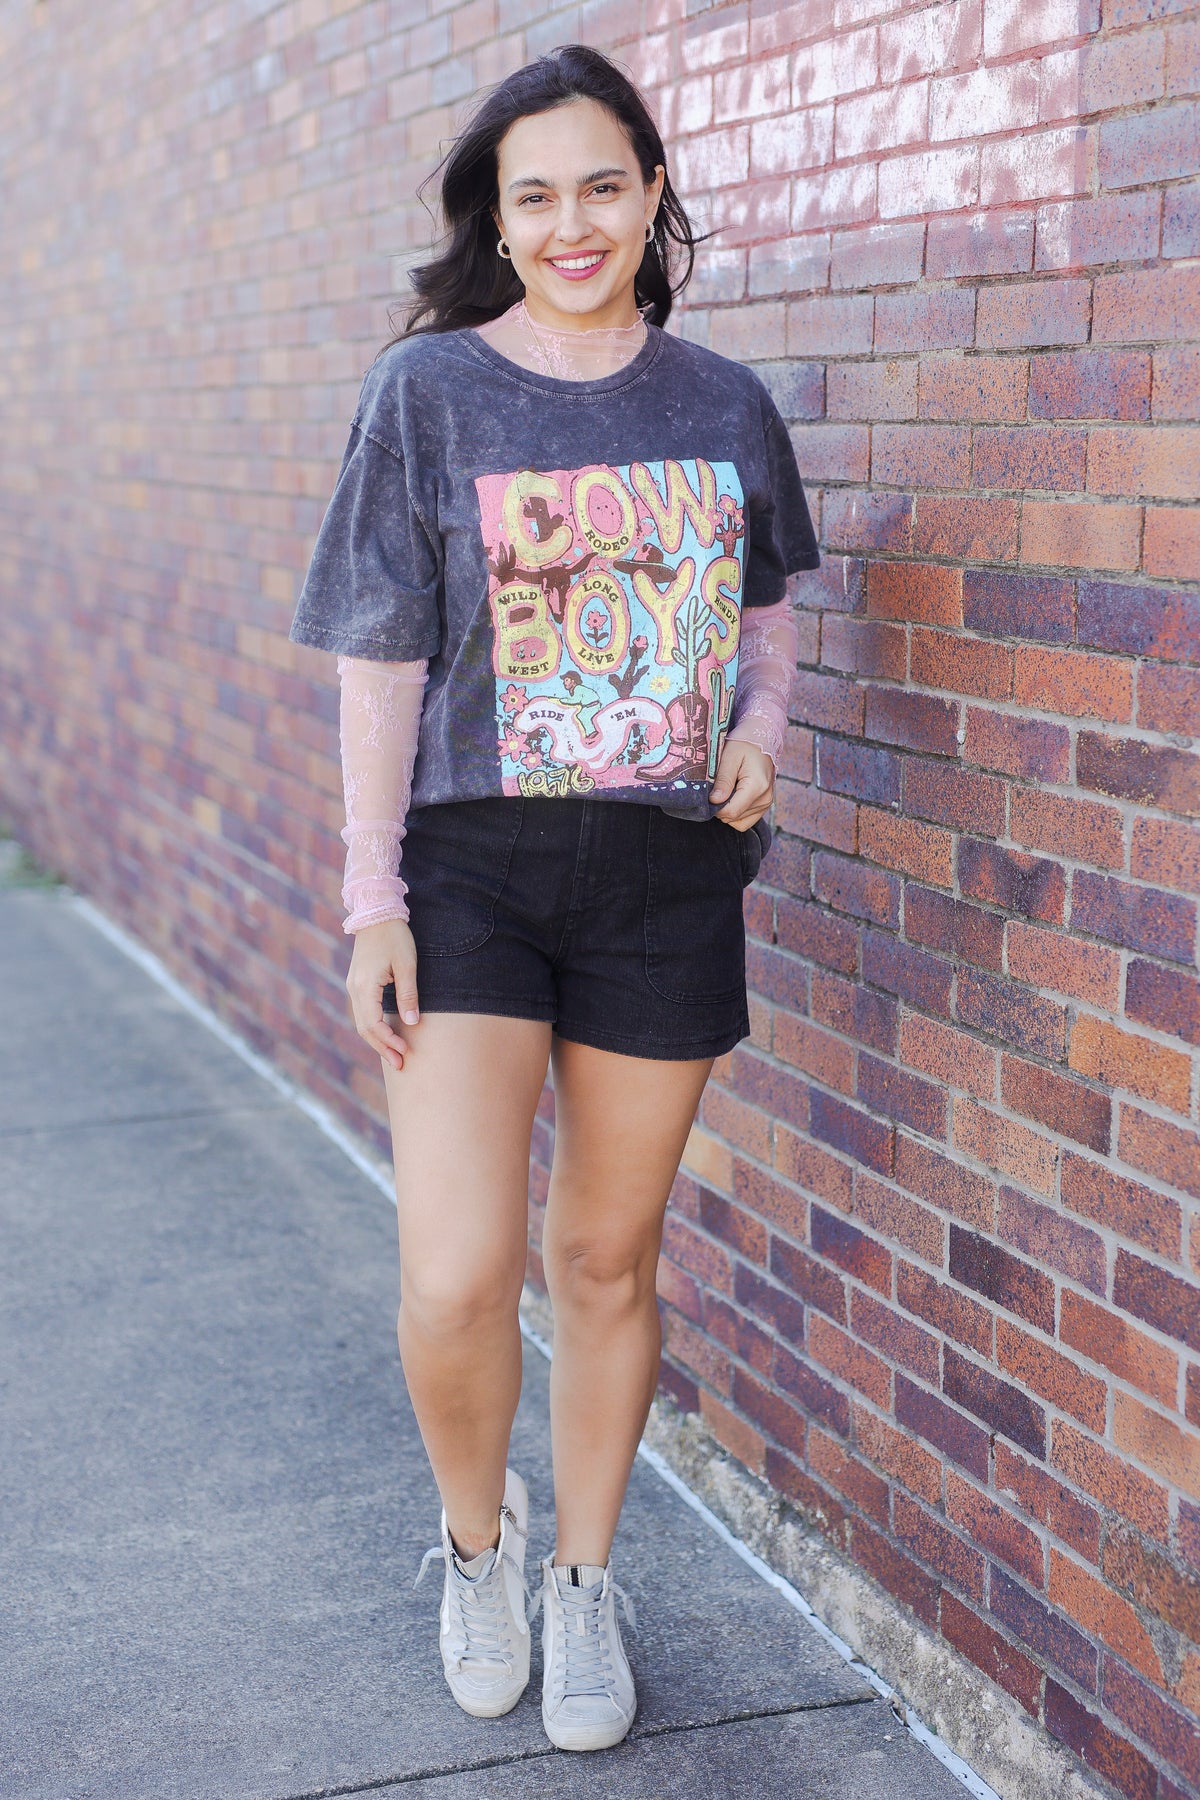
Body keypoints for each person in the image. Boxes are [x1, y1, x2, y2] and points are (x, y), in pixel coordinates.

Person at [288, 44, 819, 1755]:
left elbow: (766, 620)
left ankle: (586, 1577)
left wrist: (762, 735)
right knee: (457, 1272)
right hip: (473, 873)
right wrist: (372, 895)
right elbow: (379, 655)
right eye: (536, 196)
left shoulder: (722, 403)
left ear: (654, 194)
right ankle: (479, 1545)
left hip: (665, 873)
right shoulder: (428, 392)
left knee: (602, 1256)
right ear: (498, 220)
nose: (572, 222)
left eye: (603, 185)